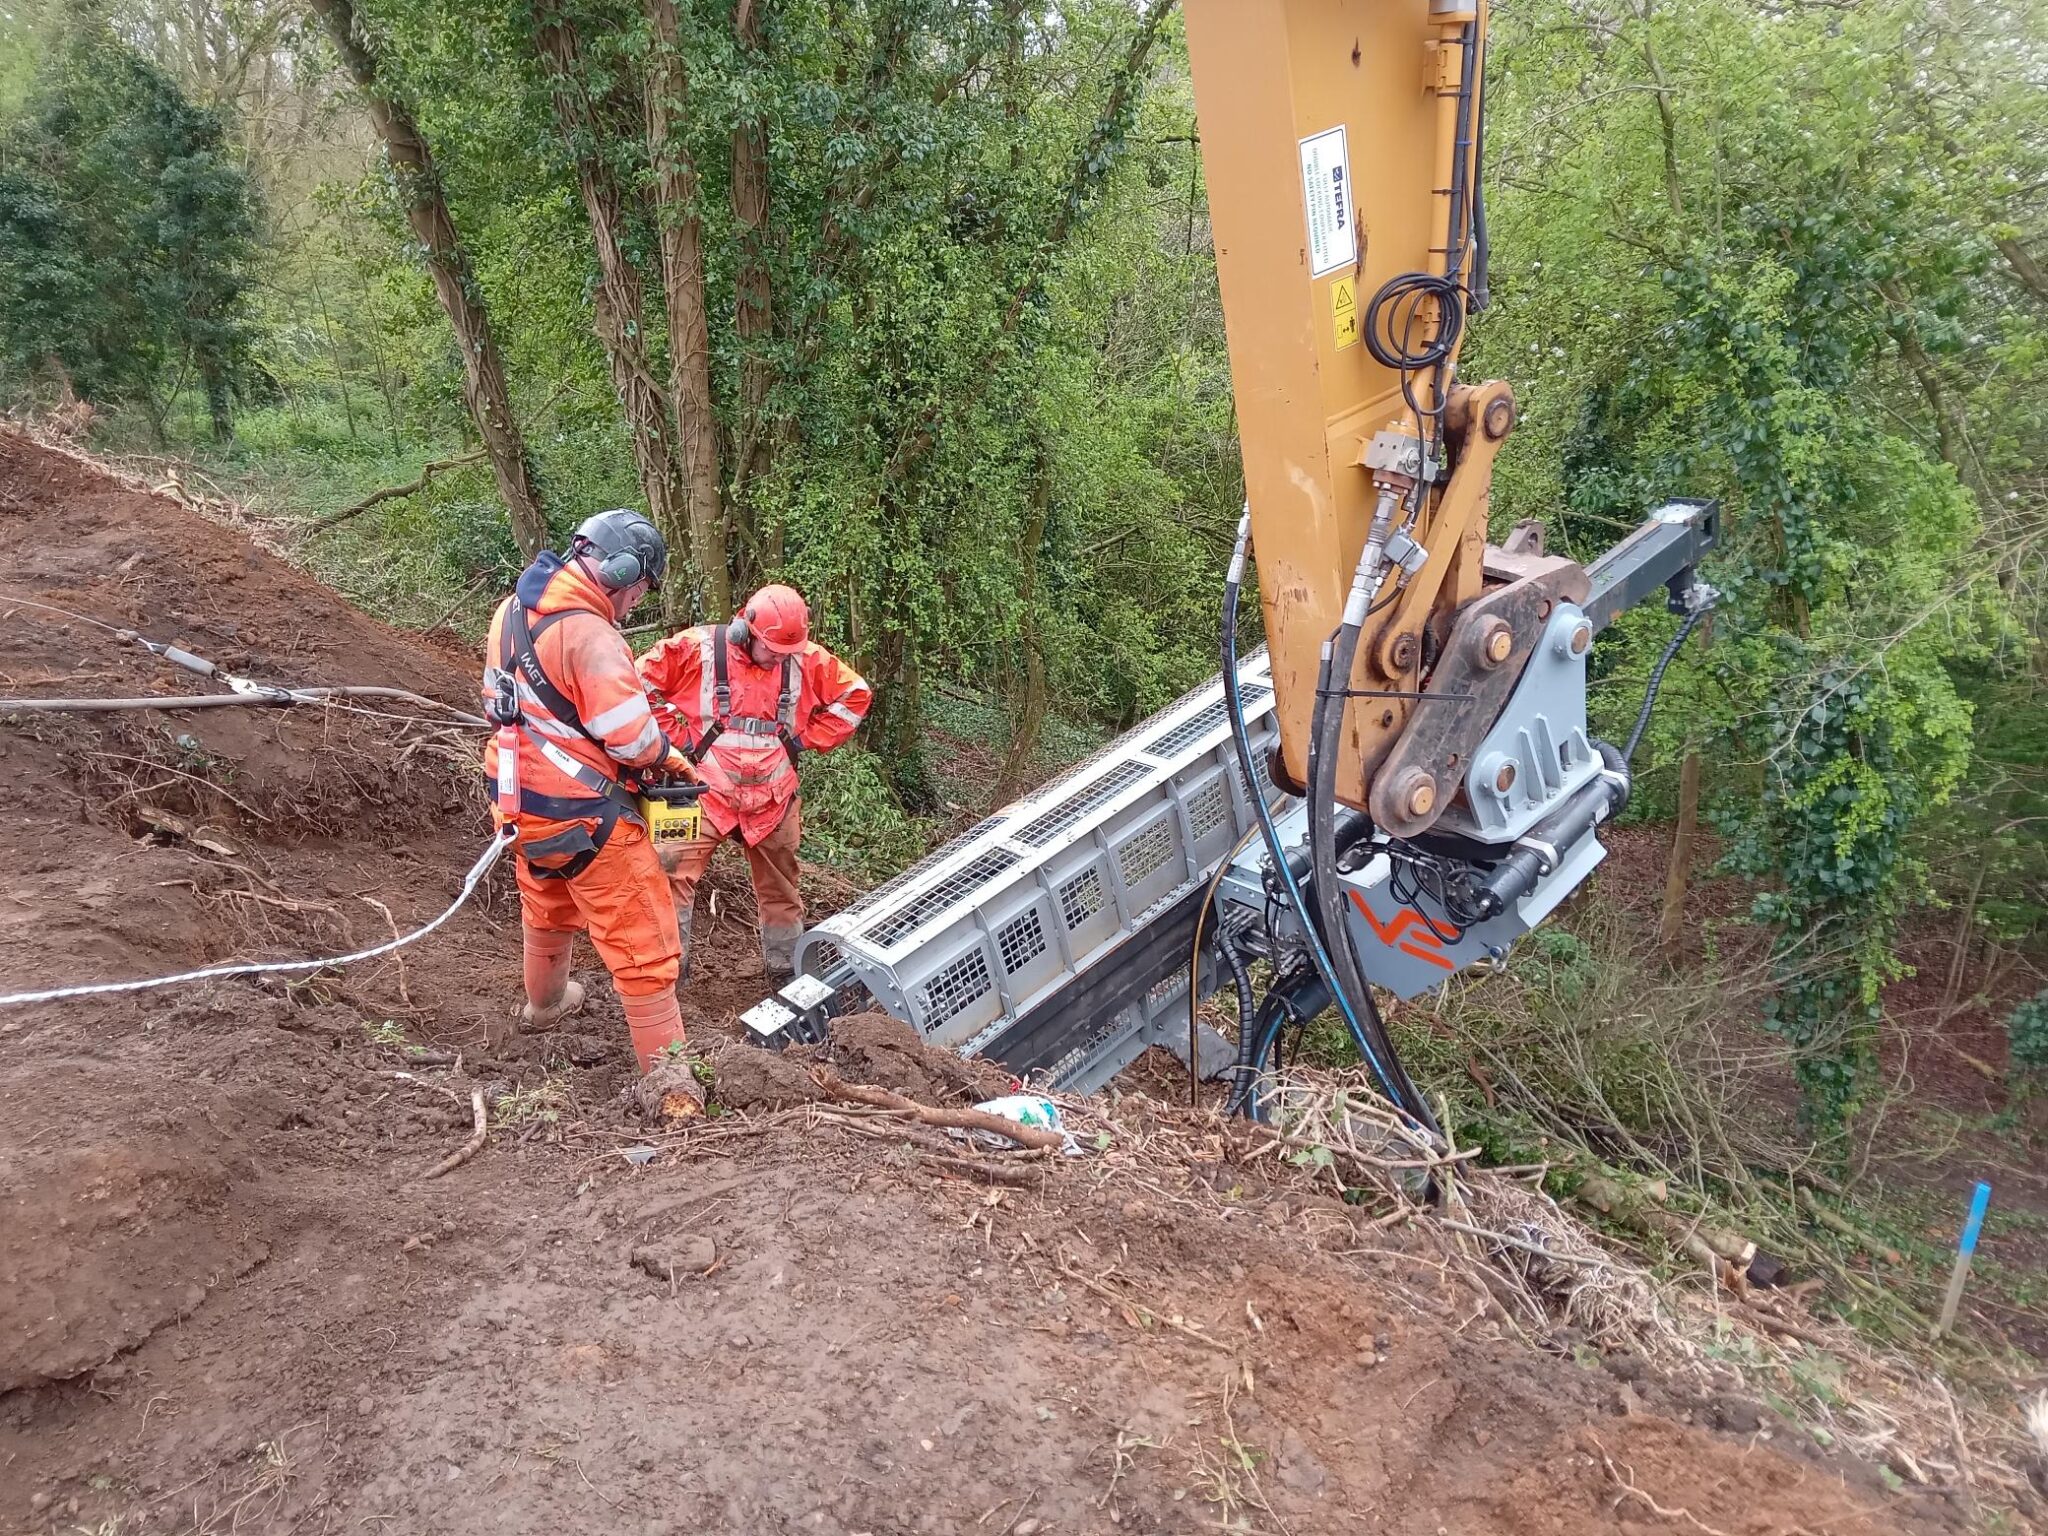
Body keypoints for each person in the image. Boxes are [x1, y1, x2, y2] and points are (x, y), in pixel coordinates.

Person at [482, 509, 699, 1073]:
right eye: (641, 592)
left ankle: (545, 1005)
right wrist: (667, 758)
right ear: (625, 575)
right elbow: (630, 738)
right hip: (585, 813)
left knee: (547, 902)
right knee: (645, 944)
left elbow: (497, 704)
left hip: (517, 799)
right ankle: (673, 1082)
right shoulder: (591, 635)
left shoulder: (510, 612)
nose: (637, 606)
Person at [637, 584, 871, 979]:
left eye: (786, 652)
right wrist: (680, 741)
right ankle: (667, 973)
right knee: (670, 876)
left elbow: (856, 695)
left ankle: (785, 973)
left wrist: (802, 741)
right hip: (703, 790)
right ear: (745, 631)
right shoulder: (699, 649)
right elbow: (637, 683)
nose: (779, 659)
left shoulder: (805, 659)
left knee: (781, 889)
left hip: (774, 798)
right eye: (772, 650)